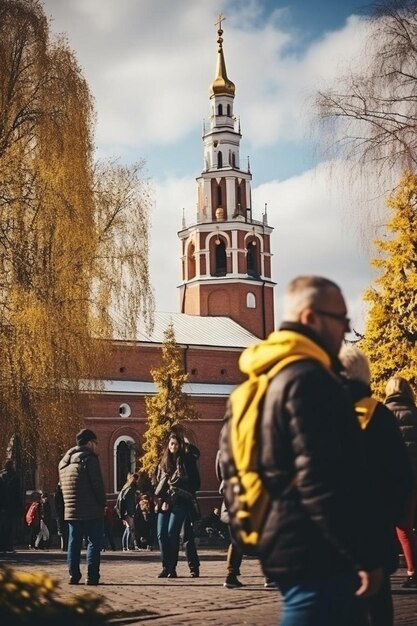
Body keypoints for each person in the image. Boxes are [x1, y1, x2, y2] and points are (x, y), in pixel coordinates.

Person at [235, 275, 383, 626]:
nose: (347, 329)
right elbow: (323, 478)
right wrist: (363, 554)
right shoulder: (311, 380)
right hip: (317, 550)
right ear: (310, 319)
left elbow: (231, 462)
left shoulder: (262, 377)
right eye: (341, 319)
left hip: (284, 542)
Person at [339, 345, 414, 626]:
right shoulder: (378, 415)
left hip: (331, 542)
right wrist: (388, 518)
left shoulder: (319, 415)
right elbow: (401, 476)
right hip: (373, 534)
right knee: (378, 608)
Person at [58, 428, 106, 586]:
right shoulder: (90, 459)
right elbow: (97, 485)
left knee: (73, 543)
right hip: (91, 510)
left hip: (72, 511)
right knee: (93, 543)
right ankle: (92, 576)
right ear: (89, 443)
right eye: (95, 443)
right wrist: (102, 503)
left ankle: (73, 575)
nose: (96, 446)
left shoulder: (64, 463)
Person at [384, 376, 417, 588]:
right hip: (413, 478)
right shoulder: (415, 413)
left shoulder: (383, 414)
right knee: (407, 527)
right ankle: (412, 571)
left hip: (392, 479)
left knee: (395, 527)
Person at [154, 432, 200, 578]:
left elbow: (195, 483)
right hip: (164, 503)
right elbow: (157, 483)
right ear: (168, 445)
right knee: (161, 534)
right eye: (171, 443)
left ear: (180, 445)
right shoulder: (163, 462)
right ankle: (165, 566)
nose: (173, 446)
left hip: (180, 502)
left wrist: (181, 492)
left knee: (172, 532)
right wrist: (161, 501)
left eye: (176, 444)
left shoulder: (186, 461)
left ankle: (172, 568)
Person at [0, 458, 22, 554]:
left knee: (2, 526)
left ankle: (2, 546)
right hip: (12, 506)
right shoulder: (15, 477)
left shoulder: (1, 476)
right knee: (10, 527)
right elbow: (18, 494)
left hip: (2, 505)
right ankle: (9, 546)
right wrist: (19, 506)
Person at [118, 472, 139, 551]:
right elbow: (129, 502)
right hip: (128, 511)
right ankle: (127, 547)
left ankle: (125, 546)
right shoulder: (130, 489)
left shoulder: (126, 487)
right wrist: (131, 512)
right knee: (129, 528)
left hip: (125, 511)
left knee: (128, 528)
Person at [54, 482, 68, 551]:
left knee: (63, 531)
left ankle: (64, 545)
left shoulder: (58, 494)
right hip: (61, 515)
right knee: (63, 531)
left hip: (61, 515)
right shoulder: (59, 494)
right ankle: (64, 546)